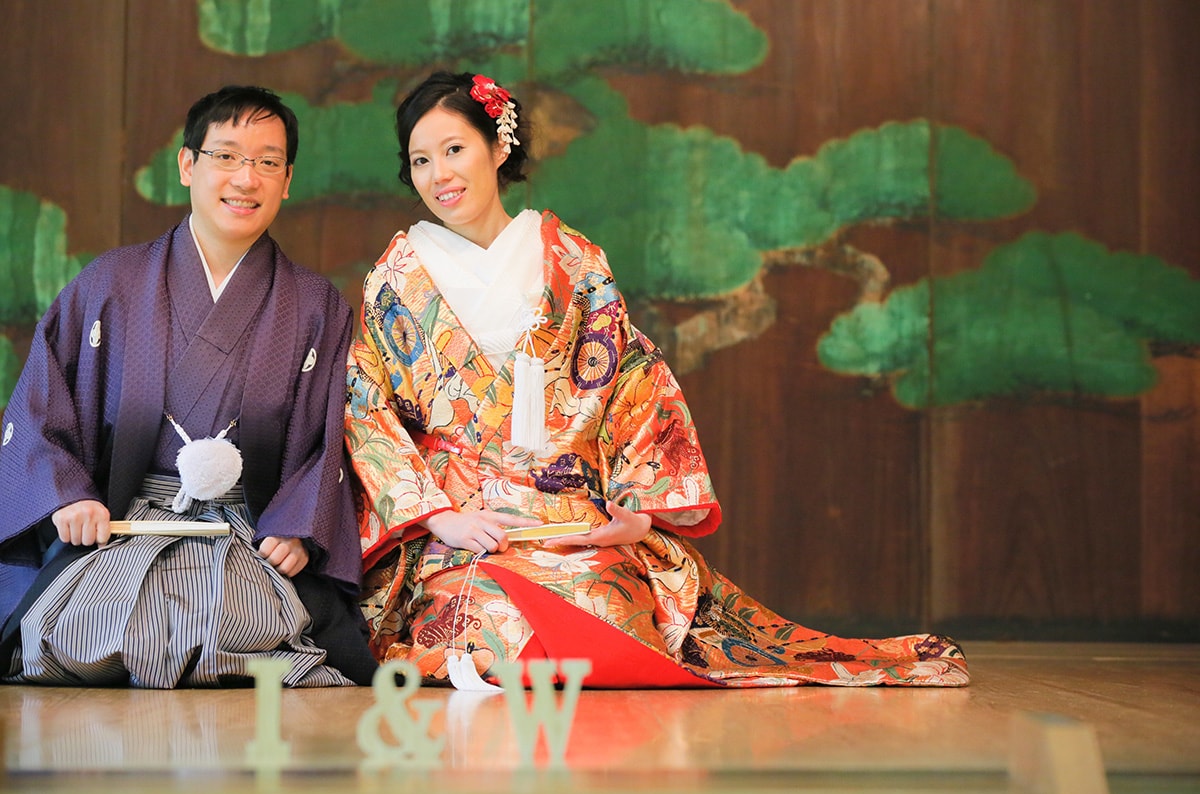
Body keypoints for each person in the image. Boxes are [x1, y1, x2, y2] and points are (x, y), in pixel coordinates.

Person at [345, 71, 969, 688]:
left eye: (455, 150)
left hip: (571, 517)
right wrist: (435, 517)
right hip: (467, 525)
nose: (439, 175)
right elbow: (366, 407)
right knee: (494, 627)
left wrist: (638, 516)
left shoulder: (574, 261)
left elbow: (633, 381)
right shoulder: (397, 278)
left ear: (498, 146)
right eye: (420, 160)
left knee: (612, 613)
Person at [0, 85, 376, 688]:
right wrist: (66, 497)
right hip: (125, 524)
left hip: (250, 532)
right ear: (187, 165)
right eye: (226, 156)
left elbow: (330, 438)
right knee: (74, 635)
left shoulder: (315, 307)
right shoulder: (110, 284)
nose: (245, 178)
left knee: (236, 631)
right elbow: (39, 408)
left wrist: (300, 525)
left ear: (287, 181)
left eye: (267, 162)